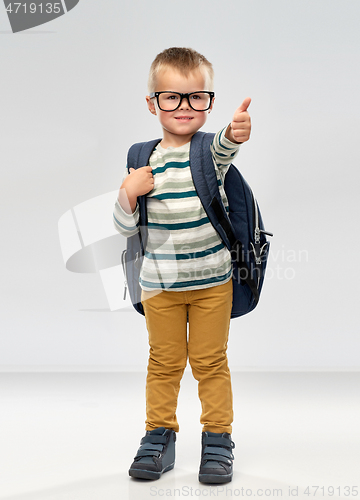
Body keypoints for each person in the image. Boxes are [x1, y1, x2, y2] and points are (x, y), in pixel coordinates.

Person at [113, 47, 251, 484]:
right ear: (153, 103)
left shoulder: (209, 153)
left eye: (197, 98)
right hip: (159, 287)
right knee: (164, 362)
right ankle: (159, 437)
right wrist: (128, 193)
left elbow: (228, 145)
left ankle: (217, 439)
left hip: (213, 283)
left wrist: (236, 130)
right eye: (171, 98)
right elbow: (124, 226)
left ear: (208, 102)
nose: (185, 108)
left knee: (211, 362)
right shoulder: (141, 158)